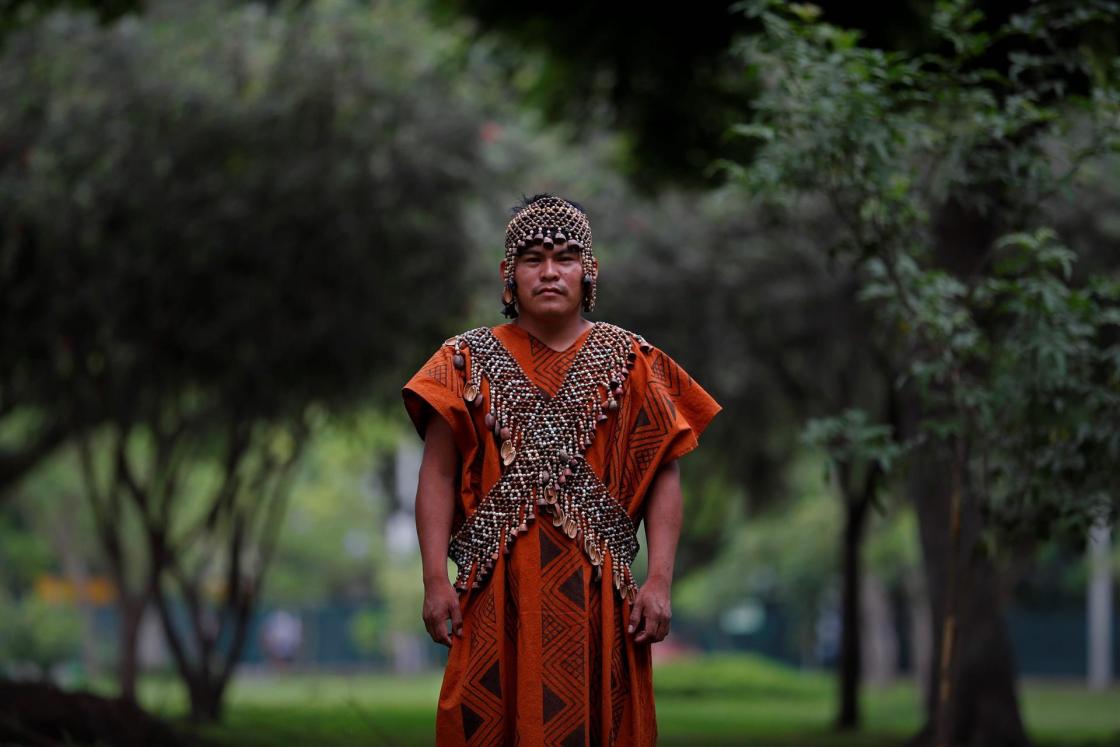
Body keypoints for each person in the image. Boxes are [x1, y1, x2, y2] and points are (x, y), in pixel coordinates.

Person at [402, 193, 720, 746]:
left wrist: (661, 581)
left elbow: (664, 475)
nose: (549, 272)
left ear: (588, 270)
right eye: (533, 258)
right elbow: (437, 477)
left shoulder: (633, 361)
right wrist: (434, 580)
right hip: (496, 594)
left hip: (601, 601)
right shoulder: (461, 361)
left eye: (566, 257)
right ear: (509, 273)